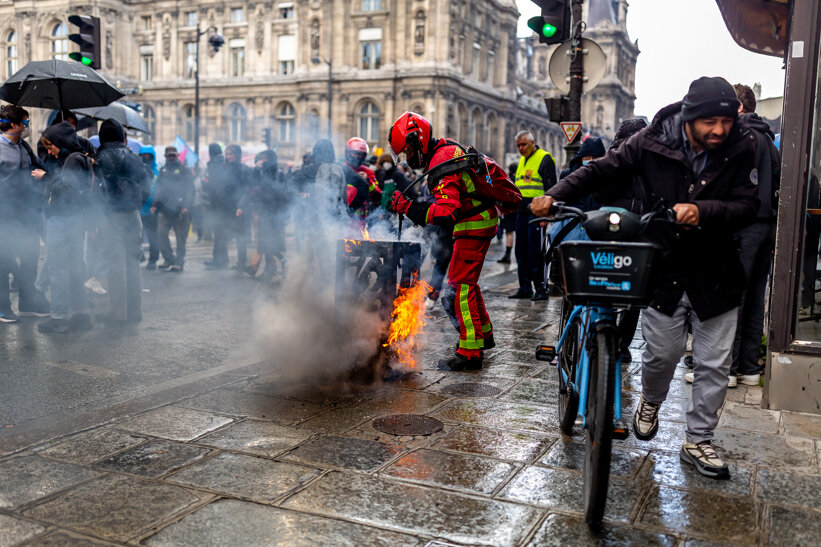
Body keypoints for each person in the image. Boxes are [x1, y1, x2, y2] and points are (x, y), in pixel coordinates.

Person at [531, 76, 759, 479]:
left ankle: (698, 440)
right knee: (662, 355)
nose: (720, 130)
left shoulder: (744, 146)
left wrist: (703, 211)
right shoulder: (651, 141)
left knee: (713, 364)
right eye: (711, 121)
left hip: (717, 272)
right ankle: (651, 401)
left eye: (726, 120)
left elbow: (747, 205)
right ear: (690, 117)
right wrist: (558, 193)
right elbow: (602, 169)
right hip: (664, 268)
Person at [389, 111, 504, 371]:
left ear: (418, 141)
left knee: (458, 290)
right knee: (468, 285)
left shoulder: (441, 162)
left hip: (474, 224)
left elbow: (446, 211)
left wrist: (410, 208)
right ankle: (484, 335)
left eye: (407, 153)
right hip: (477, 220)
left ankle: (470, 353)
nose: (408, 161)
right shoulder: (444, 150)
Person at [727, 83, 780, 387]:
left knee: (734, 295)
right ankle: (748, 367)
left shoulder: (740, 137)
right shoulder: (769, 142)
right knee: (756, 297)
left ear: (739, 108)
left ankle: (730, 368)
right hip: (766, 228)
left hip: (743, 226)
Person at [592, 118, 649, 363]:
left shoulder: (651, 165)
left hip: (640, 232)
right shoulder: (612, 161)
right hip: (611, 231)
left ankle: (623, 343)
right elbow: (598, 194)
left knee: (633, 292)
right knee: (605, 281)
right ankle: (602, 331)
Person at [36, 121, 95, 333]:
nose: (49, 151)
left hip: (63, 218)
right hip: (74, 219)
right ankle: (81, 315)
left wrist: (46, 178)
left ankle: (59, 317)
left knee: (57, 268)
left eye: (51, 145)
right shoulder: (77, 157)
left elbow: (68, 189)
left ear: (61, 142)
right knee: (74, 268)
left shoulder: (71, 160)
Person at [94, 119, 150, 322]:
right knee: (133, 263)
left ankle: (118, 313)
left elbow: (95, 189)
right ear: (121, 137)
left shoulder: (98, 157)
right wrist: (136, 203)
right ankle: (135, 313)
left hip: (110, 216)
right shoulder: (132, 157)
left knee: (115, 265)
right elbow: (146, 183)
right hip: (132, 215)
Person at [0, 104, 50, 323]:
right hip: (5, 215)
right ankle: (3, 307)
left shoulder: (24, 146)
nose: (28, 126)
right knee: (4, 262)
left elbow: (40, 167)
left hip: (27, 213)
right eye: (26, 122)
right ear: (14, 124)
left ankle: (27, 302)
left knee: (30, 258)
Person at [509, 131, 557, 301]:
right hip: (521, 212)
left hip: (537, 213)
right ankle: (524, 287)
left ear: (532, 142)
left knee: (536, 252)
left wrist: (547, 214)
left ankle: (541, 289)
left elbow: (552, 189)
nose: (521, 148)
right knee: (520, 251)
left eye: (523, 145)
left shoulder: (544, 158)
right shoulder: (522, 160)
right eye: (518, 146)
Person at [151, 146, 194, 272]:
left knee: (180, 237)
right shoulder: (163, 170)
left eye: (173, 155)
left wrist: (186, 205)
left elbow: (190, 189)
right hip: (165, 208)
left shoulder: (184, 170)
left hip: (180, 209)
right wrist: (154, 204)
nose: (171, 158)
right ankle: (169, 259)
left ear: (177, 156)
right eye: (169, 156)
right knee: (161, 233)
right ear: (165, 156)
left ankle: (179, 262)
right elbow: (159, 187)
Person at [138, 146, 160, 270]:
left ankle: (153, 259)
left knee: (153, 236)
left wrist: (156, 204)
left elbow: (161, 187)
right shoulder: (138, 168)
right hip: (139, 207)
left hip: (152, 208)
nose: (146, 158)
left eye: (148, 156)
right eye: (144, 156)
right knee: (137, 235)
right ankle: (140, 256)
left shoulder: (158, 169)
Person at [495, 162, 519, 264]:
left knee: (509, 232)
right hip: (519, 209)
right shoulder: (520, 180)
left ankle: (508, 255)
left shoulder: (508, 180)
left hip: (509, 210)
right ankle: (519, 255)